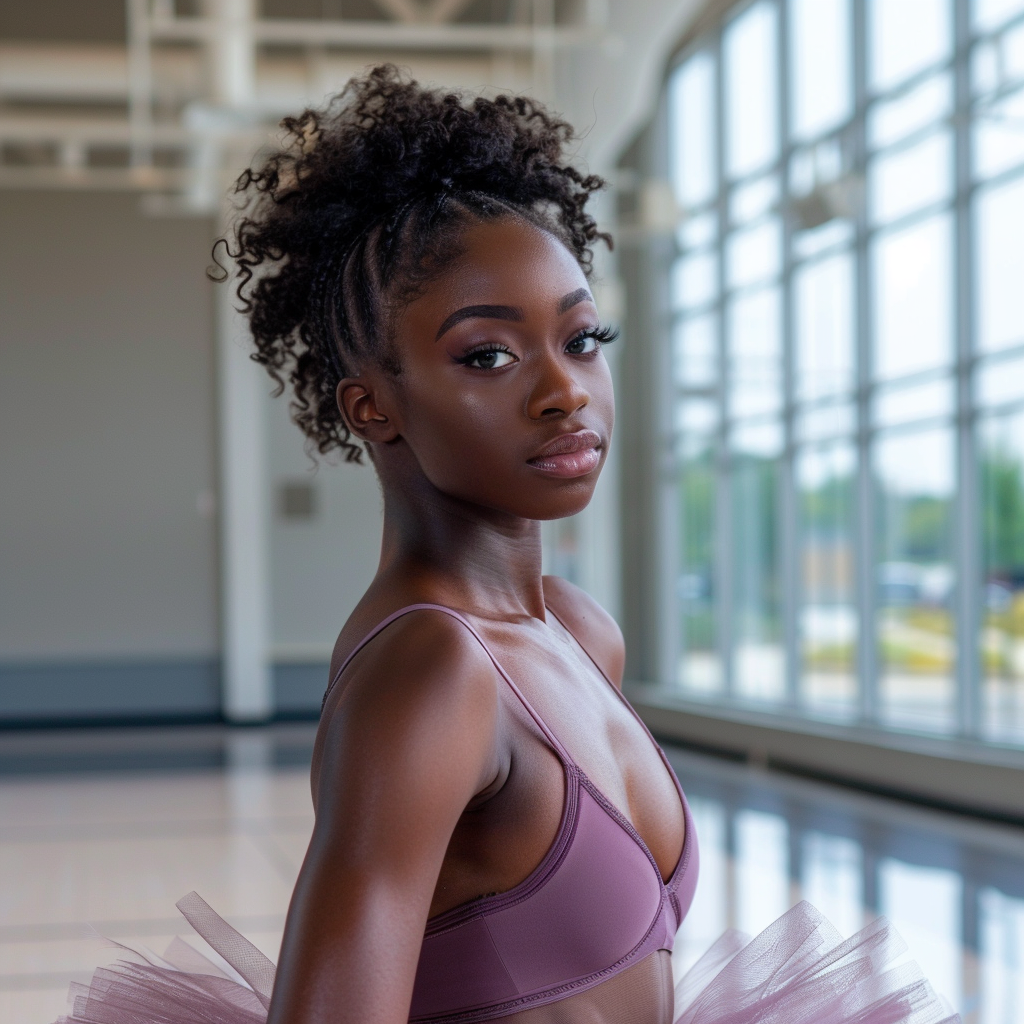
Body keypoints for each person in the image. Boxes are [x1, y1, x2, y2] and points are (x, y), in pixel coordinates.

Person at [56, 66, 960, 1024]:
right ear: (372, 405)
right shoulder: (433, 671)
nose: (564, 390)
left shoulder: (578, 630)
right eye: (488, 354)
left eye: (581, 339)